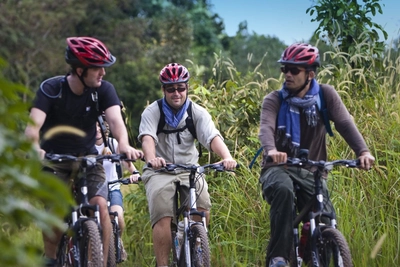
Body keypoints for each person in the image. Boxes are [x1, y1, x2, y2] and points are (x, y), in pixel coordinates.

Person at [24, 36, 143, 267]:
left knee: (100, 206)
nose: (103, 74)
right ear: (80, 70)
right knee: (56, 217)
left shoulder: (104, 90)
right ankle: (51, 259)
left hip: (88, 158)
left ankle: (101, 261)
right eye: (98, 69)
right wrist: (34, 148)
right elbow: (33, 127)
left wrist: (125, 144)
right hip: (54, 160)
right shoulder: (51, 89)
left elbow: (116, 122)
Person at [258, 43, 375, 267]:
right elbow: (266, 129)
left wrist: (363, 151)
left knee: (327, 219)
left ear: (310, 74)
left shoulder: (325, 94)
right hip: (277, 168)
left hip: (312, 170)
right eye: (285, 69)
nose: (288, 75)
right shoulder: (274, 99)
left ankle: (319, 255)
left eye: (294, 70)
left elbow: (344, 123)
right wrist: (272, 151)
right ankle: (278, 257)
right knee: (284, 190)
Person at [137, 63, 237, 267]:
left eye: (181, 88)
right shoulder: (152, 111)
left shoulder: (196, 112)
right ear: (163, 89)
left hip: (189, 169)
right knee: (163, 215)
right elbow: (147, 138)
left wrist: (227, 157)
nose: (176, 93)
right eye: (171, 89)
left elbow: (211, 136)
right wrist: (151, 158)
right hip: (160, 170)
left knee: (203, 207)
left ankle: (197, 253)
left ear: (187, 88)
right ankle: (163, 264)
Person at [95, 121, 140, 262]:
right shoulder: (86, 146)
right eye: (93, 125)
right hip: (95, 189)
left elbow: (127, 163)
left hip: (112, 187)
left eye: (99, 125)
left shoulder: (113, 144)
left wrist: (135, 173)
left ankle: (118, 240)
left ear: (105, 127)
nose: (96, 129)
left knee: (118, 217)